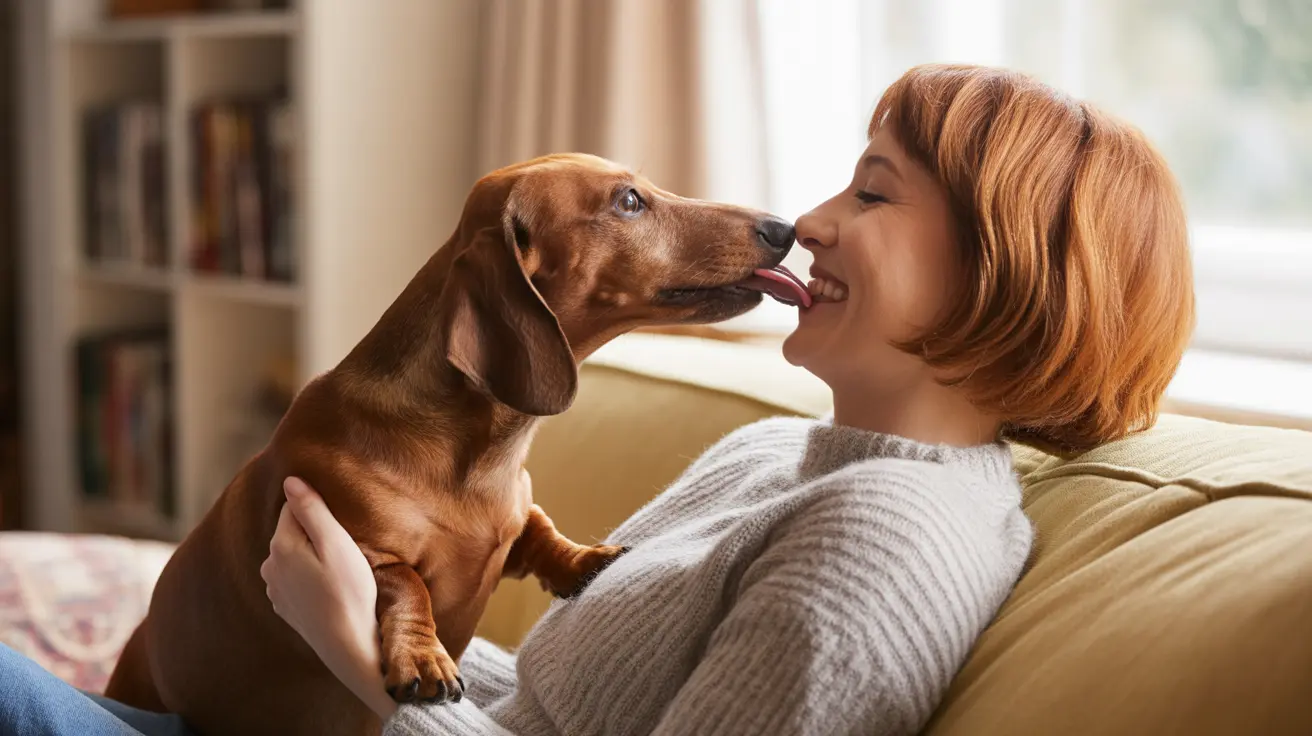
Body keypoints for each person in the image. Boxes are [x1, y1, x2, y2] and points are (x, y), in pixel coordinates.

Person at [0, 62, 1195, 735]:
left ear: (1002, 275)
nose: (810, 221)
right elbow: (551, 707)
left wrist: (358, 654)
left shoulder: (885, 544)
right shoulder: (776, 454)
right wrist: (363, 629)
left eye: (873, 196)